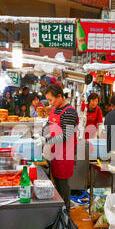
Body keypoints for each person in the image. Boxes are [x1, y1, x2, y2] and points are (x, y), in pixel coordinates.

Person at [34, 84, 78, 212]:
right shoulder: (54, 109)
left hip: (64, 155)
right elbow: (50, 126)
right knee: (57, 185)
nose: (50, 103)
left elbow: (67, 135)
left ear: (59, 96)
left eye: (51, 100)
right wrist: (42, 134)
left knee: (63, 186)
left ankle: (65, 215)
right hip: (54, 153)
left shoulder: (69, 112)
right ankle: (58, 213)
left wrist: (46, 140)